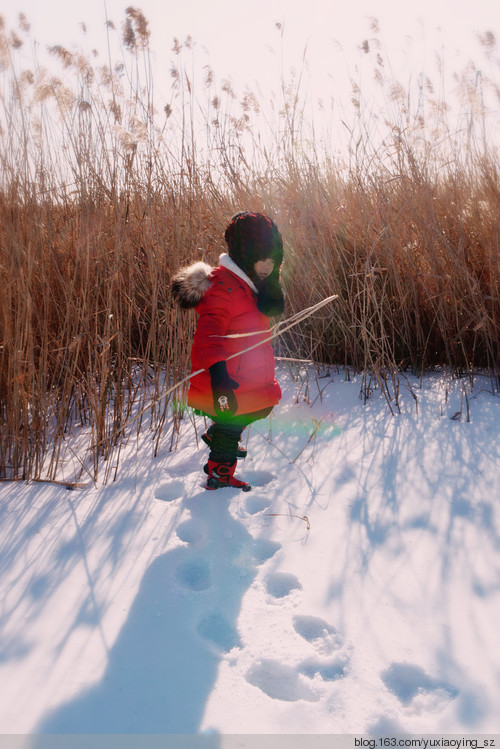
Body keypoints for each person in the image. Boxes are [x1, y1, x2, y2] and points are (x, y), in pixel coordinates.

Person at [171, 211, 285, 490]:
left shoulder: (251, 284)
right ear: (246, 256)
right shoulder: (224, 288)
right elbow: (209, 337)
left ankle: (220, 434)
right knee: (232, 423)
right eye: (262, 260)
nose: (267, 267)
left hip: (248, 377)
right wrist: (220, 380)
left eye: (273, 261)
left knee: (261, 406)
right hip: (226, 380)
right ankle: (219, 475)